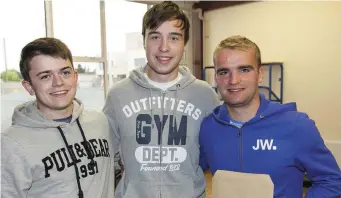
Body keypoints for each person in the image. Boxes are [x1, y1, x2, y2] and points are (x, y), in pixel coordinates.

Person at [103, 1, 220, 197]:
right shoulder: (118, 95)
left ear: (185, 43)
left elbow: (213, 153)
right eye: (155, 37)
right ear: (144, 41)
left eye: (174, 37)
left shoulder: (205, 95)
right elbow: (108, 157)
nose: (164, 47)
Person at [199, 35, 341, 197]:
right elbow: (189, 171)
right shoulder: (208, 127)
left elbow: (331, 180)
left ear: (259, 74)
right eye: (224, 72)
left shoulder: (296, 126)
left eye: (244, 70)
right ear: (216, 77)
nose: (234, 80)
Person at [1, 37, 115, 198]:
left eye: (65, 72)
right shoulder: (11, 143)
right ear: (29, 86)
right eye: (45, 76)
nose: (58, 82)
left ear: (75, 77)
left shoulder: (100, 123)